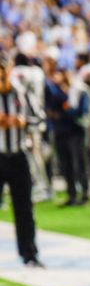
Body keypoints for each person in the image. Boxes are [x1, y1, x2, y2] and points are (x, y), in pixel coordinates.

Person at [0, 59, 43, 267]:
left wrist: (22, 121)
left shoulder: (21, 93)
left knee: (24, 208)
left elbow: (39, 119)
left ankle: (29, 254)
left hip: (18, 155)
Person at [45, 68, 90, 206]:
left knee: (79, 163)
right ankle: (71, 194)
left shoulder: (76, 90)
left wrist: (65, 110)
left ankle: (85, 194)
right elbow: (51, 111)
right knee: (66, 165)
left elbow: (78, 111)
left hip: (75, 131)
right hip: (60, 131)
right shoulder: (53, 92)